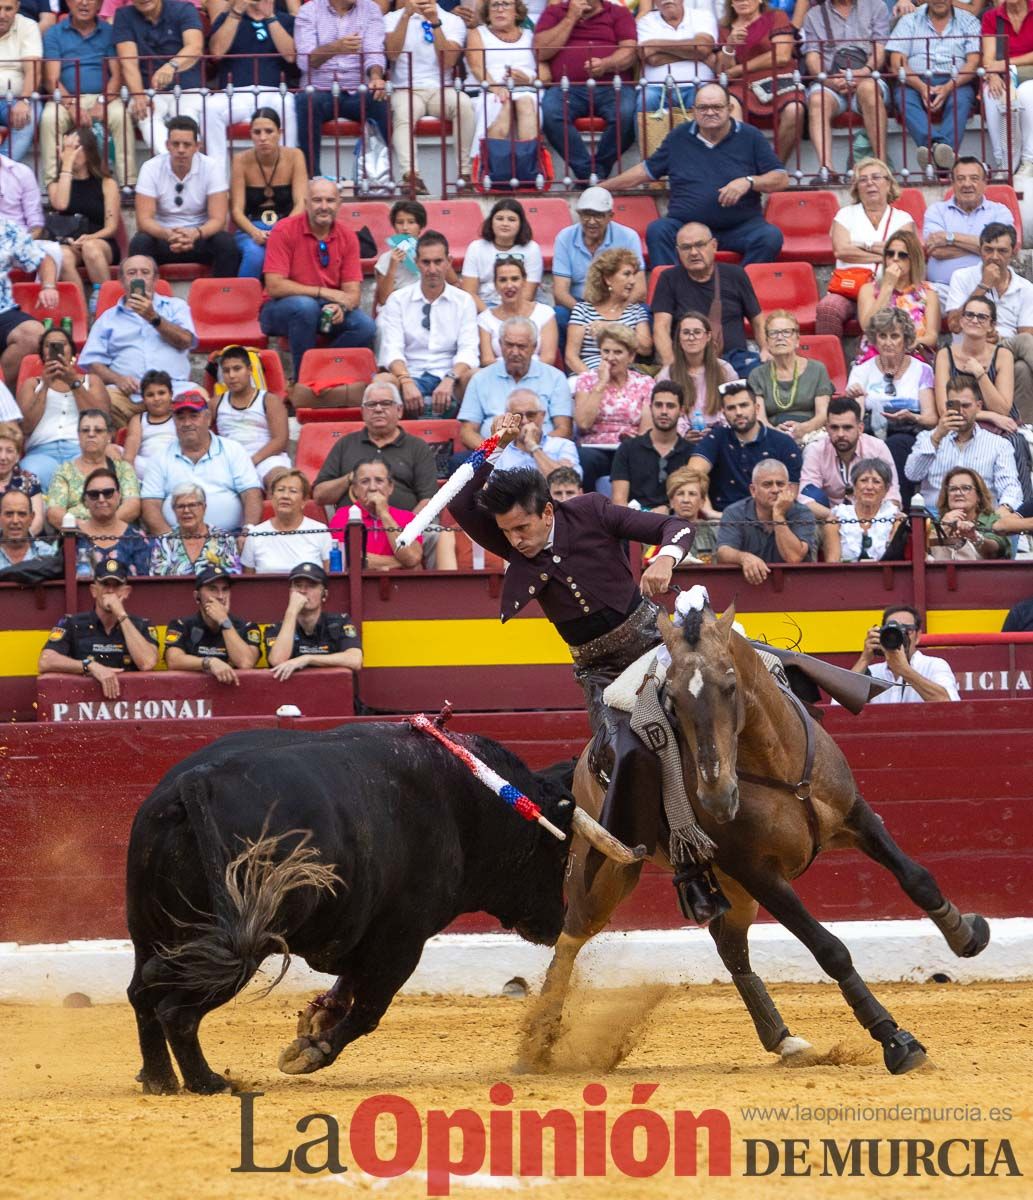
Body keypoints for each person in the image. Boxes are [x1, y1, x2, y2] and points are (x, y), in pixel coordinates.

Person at [448, 416, 724, 921]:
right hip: (601, 672)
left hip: (655, 643)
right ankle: (688, 870)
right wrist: (499, 443)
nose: (516, 542)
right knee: (629, 754)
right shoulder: (512, 536)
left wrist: (665, 558)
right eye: (507, 532)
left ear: (547, 511)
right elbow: (460, 495)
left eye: (523, 528)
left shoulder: (593, 511)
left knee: (735, 687)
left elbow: (674, 526)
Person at [603, 81, 788, 268]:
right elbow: (645, 171)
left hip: (740, 228)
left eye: (716, 107)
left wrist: (748, 181)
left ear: (730, 108)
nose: (709, 112)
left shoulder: (751, 137)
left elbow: (780, 178)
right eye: (703, 107)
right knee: (658, 230)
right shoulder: (679, 137)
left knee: (770, 237)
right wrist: (602, 187)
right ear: (693, 110)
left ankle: (738, 289)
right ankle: (675, 292)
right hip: (687, 228)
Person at [259, 177, 377, 377]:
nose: (324, 207)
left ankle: (320, 369)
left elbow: (353, 294)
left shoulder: (347, 236)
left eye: (330, 201)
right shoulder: (284, 229)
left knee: (366, 327)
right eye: (317, 200)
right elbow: (274, 286)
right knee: (305, 307)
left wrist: (341, 307)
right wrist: (323, 293)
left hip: (325, 307)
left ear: (339, 204)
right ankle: (302, 380)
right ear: (306, 203)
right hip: (279, 309)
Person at [77, 254, 197, 427]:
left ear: (155, 279)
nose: (139, 277)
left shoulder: (176, 307)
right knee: (95, 402)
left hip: (175, 391)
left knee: (199, 399)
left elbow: (186, 340)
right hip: (126, 395)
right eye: (132, 273)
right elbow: (92, 362)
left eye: (145, 272)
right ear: (121, 280)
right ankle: (112, 450)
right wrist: (117, 379)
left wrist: (153, 317)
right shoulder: (108, 318)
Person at [377, 230, 479, 418]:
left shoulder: (464, 301)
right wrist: (405, 381)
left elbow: (469, 350)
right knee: (382, 382)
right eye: (426, 262)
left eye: (438, 262)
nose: (432, 269)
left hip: (450, 376)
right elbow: (392, 349)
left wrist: (450, 378)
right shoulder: (397, 299)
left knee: (475, 377)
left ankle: (473, 440)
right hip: (410, 373)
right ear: (416, 262)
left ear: (449, 262)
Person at [534, 0, 639, 183]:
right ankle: (588, 174)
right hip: (567, 88)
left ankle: (596, 171)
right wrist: (571, 17)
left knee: (627, 114)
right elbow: (541, 52)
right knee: (551, 112)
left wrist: (607, 64)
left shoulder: (618, 13)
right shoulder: (556, 12)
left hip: (613, 85)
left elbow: (629, 51)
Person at [814, 159, 916, 340]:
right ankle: (831, 365)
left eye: (876, 177)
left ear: (888, 184)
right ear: (857, 187)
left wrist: (860, 244)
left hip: (891, 287)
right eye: (863, 179)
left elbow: (904, 255)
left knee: (900, 313)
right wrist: (884, 252)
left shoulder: (903, 219)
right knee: (827, 308)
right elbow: (842, 251)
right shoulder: (845, 214)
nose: (870, 183)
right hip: (849, 290)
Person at [128, 116, 240, 278]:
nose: (181, 150)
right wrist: (168, 234)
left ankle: (221, 297)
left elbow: (218, 220)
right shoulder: (151, 168)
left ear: (197, 146)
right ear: (167, 145)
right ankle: (141, 299)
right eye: (175, 144)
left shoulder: (211, 167)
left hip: (199, 236)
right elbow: (144, 221)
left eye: (187, 144)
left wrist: (195, 233)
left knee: (226, 244)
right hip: (163, 237)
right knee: (140, 244)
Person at [845, 307, 936, 506]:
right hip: (871, 432)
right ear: (875, 339)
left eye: (894, 336)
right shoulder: (861, 371)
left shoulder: (922, 370)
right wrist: (856, 398)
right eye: (882, 336)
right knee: (868, 446)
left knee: (896, 445)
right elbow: (855, 420)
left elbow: (931, 418)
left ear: (906, 339)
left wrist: (912, 417)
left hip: (909, 431)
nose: (888, 342)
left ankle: (897, 510)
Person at [650, 221, 765, 378]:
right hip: (689, 363)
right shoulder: (669, 278)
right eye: (686, 247)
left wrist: (765, 349)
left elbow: (757, 320)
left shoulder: (736, 275)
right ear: (677, 251)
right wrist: (673, 366)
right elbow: (661, 327)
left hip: (735, 361)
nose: (693, 252)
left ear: (714, 245)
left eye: (700, 245)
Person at [944, 223, 1033, 425]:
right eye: (988, 250)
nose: (994, 257)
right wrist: (983, 285)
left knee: (1022, 369)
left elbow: (1027, 334)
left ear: (1014, 253)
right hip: (969, 348)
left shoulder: (1025, 287)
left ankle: (1024, 430)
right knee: (1026, 344)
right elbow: (954, 325)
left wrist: (998, 338)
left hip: (1005, 349)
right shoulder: (962, 277)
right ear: (980, 250)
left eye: (1002, 251)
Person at [139, 391, 263, 534]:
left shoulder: (233, 449)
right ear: (174, 421)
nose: (187, 423)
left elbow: (251, 493)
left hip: (231, 539)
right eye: (181, 418)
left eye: (194, 416)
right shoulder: (160, 457)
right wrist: (171, 542)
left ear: (208, 418)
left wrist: (248, 531)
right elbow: (150, 505)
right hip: (177, 540)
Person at [38, 557, 159, 699]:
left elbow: (147, 663)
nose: (110, 591)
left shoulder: (142, 625)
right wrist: (89, 666)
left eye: (117, 586)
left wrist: (121, 615)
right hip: (83, 707)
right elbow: (45, 661)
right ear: (94, 590)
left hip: (130, 706)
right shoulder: (72, 623)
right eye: (105, 584)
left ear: (126, 592)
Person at [385, 0, 474, 193]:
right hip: (405, 88)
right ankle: (411, 177)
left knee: (464, 104)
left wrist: (435, 22)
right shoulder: (390, 19)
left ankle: (464, 175)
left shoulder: (452, 20)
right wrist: (405, 16)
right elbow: (392, 54)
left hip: (442, 89)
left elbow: (448, 62)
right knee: (403, 112)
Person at [40, 0, 130, 189]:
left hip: (104, 96)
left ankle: (128, 183)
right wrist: (72, 106)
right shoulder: (54, 33)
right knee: (49, 118)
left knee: (120, 116)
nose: (84, 3)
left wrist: (102, 101)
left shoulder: (109, 32)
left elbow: (117, 75)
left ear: (99, 5)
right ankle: (52, 184)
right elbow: (51, 79)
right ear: (68, 3)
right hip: (66, 98)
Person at [293, 0, 389, 177]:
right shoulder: (309, 11)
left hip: (357, 88)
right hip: (320, 89)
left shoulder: (370, 9)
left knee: (380, 98)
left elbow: (374, 51)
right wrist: (336, 47)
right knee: (305, 101)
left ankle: (376, 179)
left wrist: (376, 77)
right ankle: (311, 178)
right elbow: (305, 62)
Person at [312, 380, 438, 514]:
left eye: (386, 403)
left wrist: (405, 530)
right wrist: (352, 478)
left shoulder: (417, 447)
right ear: (363, 412)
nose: (378, 409)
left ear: (399, 410)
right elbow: (319, 496)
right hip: (352, 529)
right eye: (371, 404)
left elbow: (429, 500)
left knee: (436, 534)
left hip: (406, 529)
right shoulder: (346, 444)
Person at [905, 374, 1023, 512]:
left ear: (979, 406)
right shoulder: (927, 438)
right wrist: (937, 437)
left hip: (982, 518)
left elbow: (1011, 487)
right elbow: (912, 475)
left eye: (966, 405)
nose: (960, 411)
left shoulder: (999, 444)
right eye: (953, 405)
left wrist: (1005, 509)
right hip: (936, 517)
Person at [887, 0, 980, 173]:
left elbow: (973, 63)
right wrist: (921, 86)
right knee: (903, 97)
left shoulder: (969, 20)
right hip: (915, 80)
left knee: (961, 99)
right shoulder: (909, 20)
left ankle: (935, 155)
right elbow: (896, 62)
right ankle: (940, 150)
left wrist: (947, 88)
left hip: (956, 81)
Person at [801, 0, 890, 180]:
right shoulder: (814, 15)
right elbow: (812, 57)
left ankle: (881, 166)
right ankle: (827, 169)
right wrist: (829, 80)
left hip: (866, 75)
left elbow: (879, 49)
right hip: (830, 81)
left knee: (870, 90)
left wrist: (863, 73)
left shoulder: (876, 6)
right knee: (817, 100)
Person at [204, 3, 299, 169]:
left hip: (275, 92)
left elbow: (291, 56)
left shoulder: (286, 20)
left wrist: (270, 17)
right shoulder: (227, 18)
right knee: (210, 108)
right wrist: (237, 12)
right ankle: (217, 181)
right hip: (235, 94)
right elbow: (216, 52)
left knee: (289, 105)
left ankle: (284, 173)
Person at [687, 378, 802, 511]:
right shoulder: (717, 437)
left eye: (744, 405)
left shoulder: (783, 443)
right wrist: (708, 511)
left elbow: (791, 494)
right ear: (723, 413)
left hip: (770, 519)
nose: (739, 412)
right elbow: (692, 474)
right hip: (722, 520)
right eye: (731, 408)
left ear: (756, 408)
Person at [18, 326, 111, 489]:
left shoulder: (91, 381)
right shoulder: (32, 384)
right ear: (42, 355)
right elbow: (25, 427)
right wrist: (46, 385)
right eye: (49, 345)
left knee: (95, 479)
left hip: (82, 451)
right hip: (40, 453)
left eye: (61, 344)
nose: (55, 348)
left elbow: (102, 421)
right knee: (28, 476)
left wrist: (74, 382)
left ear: (73, 354)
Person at [551, 187, 645, 344]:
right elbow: (560, 292)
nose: (592, 221)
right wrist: (588, 313)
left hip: (619, 304)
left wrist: (613, 316)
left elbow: (640, 290)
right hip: (579, 304)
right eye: (586, 214)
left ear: (610, 216)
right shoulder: (564, 237)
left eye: (599, 215)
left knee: (645, 314)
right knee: (558, 315)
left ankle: (637, 365)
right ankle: (567, 367)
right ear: (579, 215)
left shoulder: (628, 236)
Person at [717, 0, 804, 166]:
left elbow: (782, 56)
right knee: (731, 104)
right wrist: (729, 45)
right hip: (744, 85)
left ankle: (775, 167)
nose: (743, 2)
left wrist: (740, 69)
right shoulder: (726, 28)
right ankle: (743, 166)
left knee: (795, 109)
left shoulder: (776, 16)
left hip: (779, 80)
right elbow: (725, 71)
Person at [47, 126, 122, 316]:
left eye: (76, 147)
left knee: (91, 248)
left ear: (88, 150)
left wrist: (89, 238)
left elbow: (111, 226)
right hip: (69, 242)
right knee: (62, 256)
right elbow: (61, 204)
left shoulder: (107, 183)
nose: (71, 152)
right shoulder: (55, 185)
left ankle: (104, 303)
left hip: (100, 240)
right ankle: (80, 312)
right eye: (67, 148)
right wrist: (67, 165)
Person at [113, 0, 205, 154]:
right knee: (144, 113)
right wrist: (138, 95)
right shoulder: (124, 15)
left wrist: (171, 66)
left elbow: (195, 47)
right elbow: (128, 62)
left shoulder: (184, 9)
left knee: (186, 116)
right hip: (148, 90)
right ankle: (171, 162)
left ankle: (191, 164)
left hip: (187, 88)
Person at [922, 158, 1016, 305]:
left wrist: (950, 237)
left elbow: (1003, 248)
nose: (967, 184)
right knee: (917, 302)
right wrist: (984, 248)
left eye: (974, 179)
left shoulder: (1000, 211)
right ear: (952, 183)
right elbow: (936, 250)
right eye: (960, 179)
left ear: (985, 183)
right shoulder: (937, 211)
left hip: (990, 288)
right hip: (942, 290)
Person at [574, 323, 655, 491]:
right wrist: (601, 384)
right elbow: (582, 423)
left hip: (631, 449)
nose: (610, 358)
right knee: (585, 459)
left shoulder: (645, 383)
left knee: (645, 459)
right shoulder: (586, 380)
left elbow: (646, 431)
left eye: (618, 352)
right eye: (606, 351)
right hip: (595, 449)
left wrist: (631, 445)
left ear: (631, 356)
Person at [228, 108, 308, 280]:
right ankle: (243, 301)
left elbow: (301, 203)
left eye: (269, 131)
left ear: (279, 133)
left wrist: (281, 230)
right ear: (251, 135)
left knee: (299, 254)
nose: (263, 138)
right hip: (252, 227)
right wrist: (254, 232)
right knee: (255, 254)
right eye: (257, 132)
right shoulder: (240, 160)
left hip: (288, 226)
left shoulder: (295, 156)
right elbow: (236, 211)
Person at [716, 456, 816, 582]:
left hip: (794, 586)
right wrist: (743, 557)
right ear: (753, 490)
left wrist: (778, 515)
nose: (775, 490)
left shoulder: (803, 513)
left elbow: (793, 557)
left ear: (789, 488)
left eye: (780, 484)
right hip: (749, 588)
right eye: (767, 484)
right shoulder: (734, 512)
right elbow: (723, 552)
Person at [799, 394, 900, 517]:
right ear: (826, 428)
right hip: (830, 519)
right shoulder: (815, 450)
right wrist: (841, 518)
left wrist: (869, 522)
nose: (840, 434)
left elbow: (892, 496)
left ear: (860, 428)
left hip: (873, 518)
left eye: (847, 428)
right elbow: (804, 498)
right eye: (834, 428)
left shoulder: (877, 448)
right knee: (812, 494)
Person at [264, 560, 363, 680]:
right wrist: (291, 611)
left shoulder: (340, 622)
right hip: (294, 697)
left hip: (335, 695)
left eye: (311, 586)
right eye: (297, 585)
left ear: (325, 594)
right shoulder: (277, 629)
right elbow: (277, 661)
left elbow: (355, 660)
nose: (303, 591)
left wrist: (307, 659)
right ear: (290, 592)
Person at [164, 563, 261, 683]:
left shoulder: (247, 626)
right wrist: (209, 662)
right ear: (197, 596)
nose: (220, 596)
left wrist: (224, 621)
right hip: (194, 696)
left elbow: (246, 663)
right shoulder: (181, 625)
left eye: (225, 589)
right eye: (212, 589)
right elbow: (173, 661)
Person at [45, 407, 141, 527]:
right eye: (85, 430)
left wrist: (104, 526)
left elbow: (132, 506)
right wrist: (86, 527)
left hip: (116, 535)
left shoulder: (123, 469)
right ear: (78, 436)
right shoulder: (64, 471)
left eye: (98, 430)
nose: (91, 434)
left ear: (109, 436)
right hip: (77, 537)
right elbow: (54, 513)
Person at [856, 230, 941, 364]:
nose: (895, 259)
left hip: (913, 357)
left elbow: (932, 336)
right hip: (875, 358)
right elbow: (867, 327)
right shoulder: (869, 290)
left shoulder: (928, 293)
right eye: (890, 254)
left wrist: (906, 344)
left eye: (902, 255)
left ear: (914, 259)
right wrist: (887, 287)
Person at [565, 247, 652, 375]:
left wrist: (611, 328)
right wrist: (594, 379)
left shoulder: (636, 311)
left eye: (634, 274)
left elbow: (646, 348)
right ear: (608, 278)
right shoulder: (582, 310)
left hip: (624, 377)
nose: (633, 281)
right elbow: (571, 357)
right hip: (588, 375)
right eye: (627, 274)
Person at [466, 0, 541, 147]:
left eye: (506, 4)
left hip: (526, 90)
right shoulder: (477, 33)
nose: (500, 9)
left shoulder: (530, 35)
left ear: (517, 12)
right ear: (487, 13)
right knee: (503, 104)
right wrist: (497, 89)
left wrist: (527, 79)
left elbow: (545, 74)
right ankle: (493, 165)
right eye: (494, 5)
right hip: (488, 91)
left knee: (525, 102)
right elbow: (476, 67)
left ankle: (528, 165)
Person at [850, 603, 960, 703]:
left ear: (917, 636)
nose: (899, 636)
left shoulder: (933, 665)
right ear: (882, 634)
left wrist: (904, 670)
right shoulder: (872, 672)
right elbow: (837, 709)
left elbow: (949, 703)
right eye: (892, 631)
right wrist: (864, 659)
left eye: (906, 630)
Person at [211, 344, 290, 483]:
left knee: (281, 481)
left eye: (237, 369)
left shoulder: (269, 400)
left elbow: (280, 441)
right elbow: (201, 435)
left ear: (250, 370)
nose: (232, 376)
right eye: (226, 371)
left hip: (267, 459)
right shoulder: (215, 403)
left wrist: (251, 461)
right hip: (230, 462)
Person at [749, 310, 833, 441]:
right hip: (772, 435)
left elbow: (823, 414)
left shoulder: (817, 369)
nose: (780, 337)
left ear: (797, 340)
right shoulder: (757, 375)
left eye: (786, 332)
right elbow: (760, 418)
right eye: (773, 333)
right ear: (767, 341)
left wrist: (804, 428)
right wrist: (775, 433)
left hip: (811, 433)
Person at [655, 310, 736, 441]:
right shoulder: (667, 374)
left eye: (697, 332)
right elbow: (663, 410)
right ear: (679, 338)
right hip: (681, 441)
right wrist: (683, 433)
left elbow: (734, 406)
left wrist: (718, 432)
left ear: (708, 336)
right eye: (686, 333)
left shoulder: (725, 370)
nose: (691, 338)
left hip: (721, 439)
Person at [328, 458, 423, 570]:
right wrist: (400, 563)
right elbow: (348, 560)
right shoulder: (343, 516)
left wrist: (383, 513)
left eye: (379, 481)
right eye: (365, 481)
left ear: (390, 487)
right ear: (355, 489)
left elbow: (412, 558)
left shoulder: (408, 517)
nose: (372, 488)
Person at [611, 381, 693, 509]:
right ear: (650, 408)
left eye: (670, 406)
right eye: (658, 405)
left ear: (681, 411)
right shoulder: (628, 449)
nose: (664, 411)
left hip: (677, 522)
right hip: (635, 522)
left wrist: (667, 509)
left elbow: (694, 500)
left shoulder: (691, 453)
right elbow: (619, 502)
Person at [0, 217, 59, 391]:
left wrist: (48, 286)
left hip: (2, 310)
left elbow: (43, 259)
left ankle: (2, 398)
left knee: (34, 334)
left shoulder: (5, 228)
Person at [241, 467, 332, 573]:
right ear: (272, 497)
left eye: (293, 491)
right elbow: (248, 581)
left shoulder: (321, 531)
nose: (285, 496)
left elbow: (330, 576)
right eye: (280, 490)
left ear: (304, 500)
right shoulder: (255, 534)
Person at [460, 198, 543, 311]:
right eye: (499, 219)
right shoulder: (476, 248)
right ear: (491, 222)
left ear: (521, 224)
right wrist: (490, 317)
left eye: (511, 220)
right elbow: (469, 292)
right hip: (483, 306)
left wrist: (507, 315)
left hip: (520, 307)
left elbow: (528, 294)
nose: (505, 224)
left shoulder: (532, 249)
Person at [981, 0, 1033, 175]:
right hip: (1004, 73)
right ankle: (1003, 162)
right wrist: (993, 74)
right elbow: (988, 59)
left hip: (1028, 73)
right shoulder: (992, 17)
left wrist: (1005, 64)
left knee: (1027, 93)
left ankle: (1028, 160)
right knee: (991, 92)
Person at [637, 0, 716, 115]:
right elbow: (652, 59)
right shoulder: (646, 21)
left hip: (698, 84)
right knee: (646, 99)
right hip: (655, 87)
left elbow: (703, 48)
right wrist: (698, 56)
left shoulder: (702, 16)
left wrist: (657, 44)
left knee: (706, 99)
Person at [477, 256, 558, 366]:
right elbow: (487, 360)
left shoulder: (545, 313)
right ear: (495, 285)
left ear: (524, 281)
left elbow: (548, 358)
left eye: (514, 279)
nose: (509, 285)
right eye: (503, 280)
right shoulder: (485, 319)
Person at [148, 480, 242, 574]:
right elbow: (157, 578)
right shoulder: (164, 542)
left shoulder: (224, 538)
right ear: (174, 510)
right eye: (180, 506)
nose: (186, 511)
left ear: (204, 507)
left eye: (192, 505)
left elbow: (233, 575)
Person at [74, 463, 151, 575]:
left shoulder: (136, 537)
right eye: (94, 494)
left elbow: (144, 582)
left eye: (108, 493)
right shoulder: (73, 536)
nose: (101, 499)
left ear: (119, 496)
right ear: (85, 500)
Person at [824, 457, 904, 563]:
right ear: (854, 487)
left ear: (886, 489)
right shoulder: (836, 519)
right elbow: (832, 563)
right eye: (863, 480)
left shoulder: (896, 520)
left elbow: (894, 560)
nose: (869, 487)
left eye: (876, 482)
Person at [489, 388, 581, 478]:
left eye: (531, 415)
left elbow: (567, 484)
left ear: (542, 415)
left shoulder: (563, 445)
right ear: (508, 418)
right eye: (518, 416)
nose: (524, 421)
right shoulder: (500, 452)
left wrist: (533, 447)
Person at [926, 465, 1012, 559]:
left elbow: (997, 548)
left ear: (979, 496)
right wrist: (943, 528)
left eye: (966, 488)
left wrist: (975, 537)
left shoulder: (992, 519)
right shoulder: (936, 522)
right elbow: (920, 549)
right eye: (953, 489)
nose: (958, 493)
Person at [0, 0, 42, 163]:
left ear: (17, 7)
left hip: (15, 99)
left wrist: (24, 100)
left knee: (31, 113)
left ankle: (2, 170)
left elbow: (34, 69)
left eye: (8, 9)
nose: (2, 15)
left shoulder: (28, 26)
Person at [374, 199, 431, 305]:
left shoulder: (432, 254)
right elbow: (383, 300)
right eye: (400, 223)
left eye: (411, 222)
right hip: (398, 307)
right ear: (394, 226)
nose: (405, 228)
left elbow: (453, 281)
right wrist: (393, 265)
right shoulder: (385, 259)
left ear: (420, 226)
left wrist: (425, 262)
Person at [121, 368, 177, 476]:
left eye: (161, 393)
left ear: (171, 394)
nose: (156, 398)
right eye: (150, 395)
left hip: (174, 467)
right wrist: (130, 481)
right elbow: (130, 453)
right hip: (147, 467)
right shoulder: (139, 419)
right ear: (143, 399)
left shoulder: (178, 416)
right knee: (112, 450)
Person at [660, 464, 717, 560]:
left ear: (702, 502)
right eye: (680, 493)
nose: (686, 500)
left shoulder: (715, 531)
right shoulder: (659, 531)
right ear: (671, 501)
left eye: (692, 494)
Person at [0, 421, 44, 535]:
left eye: (9, 451)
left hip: (27, 543)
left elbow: (37, 521)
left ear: (17, 456)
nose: (3, 457)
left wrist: (17, 542)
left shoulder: (29, 480)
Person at [0, 488, 56, 567]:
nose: (15, 521)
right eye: (9, 514)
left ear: (31, 518)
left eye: (21, 514)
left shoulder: (47, 554)